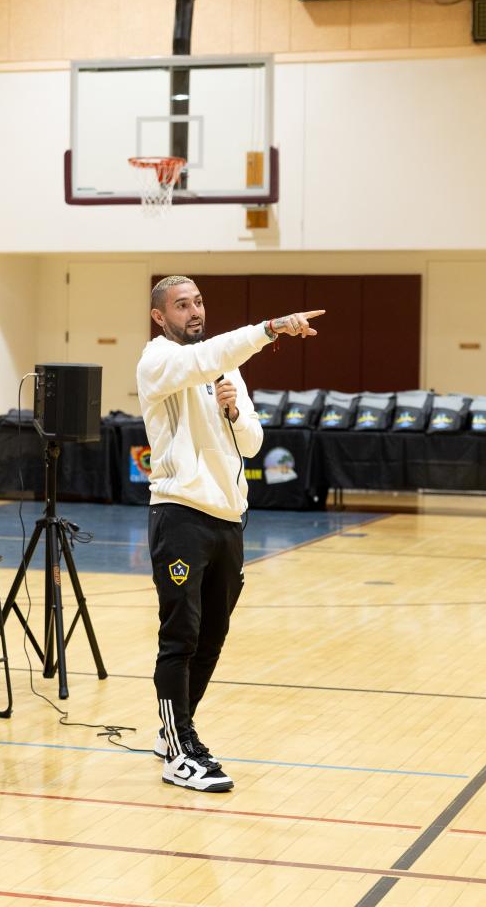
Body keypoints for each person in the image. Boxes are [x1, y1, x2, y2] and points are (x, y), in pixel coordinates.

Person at [138, 276, 321, 792]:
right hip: (179, 515)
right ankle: (179, 754)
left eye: (198, 302)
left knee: (213, 636)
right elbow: (206, 357)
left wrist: (234, 411)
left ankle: (177, 727)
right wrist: (269, 328)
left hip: (228, 517)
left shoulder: (225, 368)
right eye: (181, 305)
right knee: (181, 635)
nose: (194, 311)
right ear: (160, 316)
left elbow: (254, 443)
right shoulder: (158, 361)